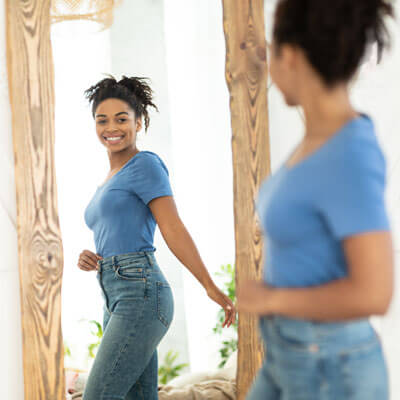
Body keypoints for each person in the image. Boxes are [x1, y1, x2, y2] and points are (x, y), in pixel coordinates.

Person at [237, 0, 395, 399]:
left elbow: (374, 292)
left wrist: (271, 297)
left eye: (273, 53)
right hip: (291, 352)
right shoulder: (317, 140)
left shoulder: (349, 155)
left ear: (288, 56)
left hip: (330, 363)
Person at [78, 75, 236, 399]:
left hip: (141, 292)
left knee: (99, 394)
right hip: (114, 292)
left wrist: (209, 285)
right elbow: (116, 231)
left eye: (122, 118)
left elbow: (172, 228)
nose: (112, 127)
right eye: (102, 119)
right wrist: (92, 257)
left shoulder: (145, 165)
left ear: (139, 122)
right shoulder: (108, 180)